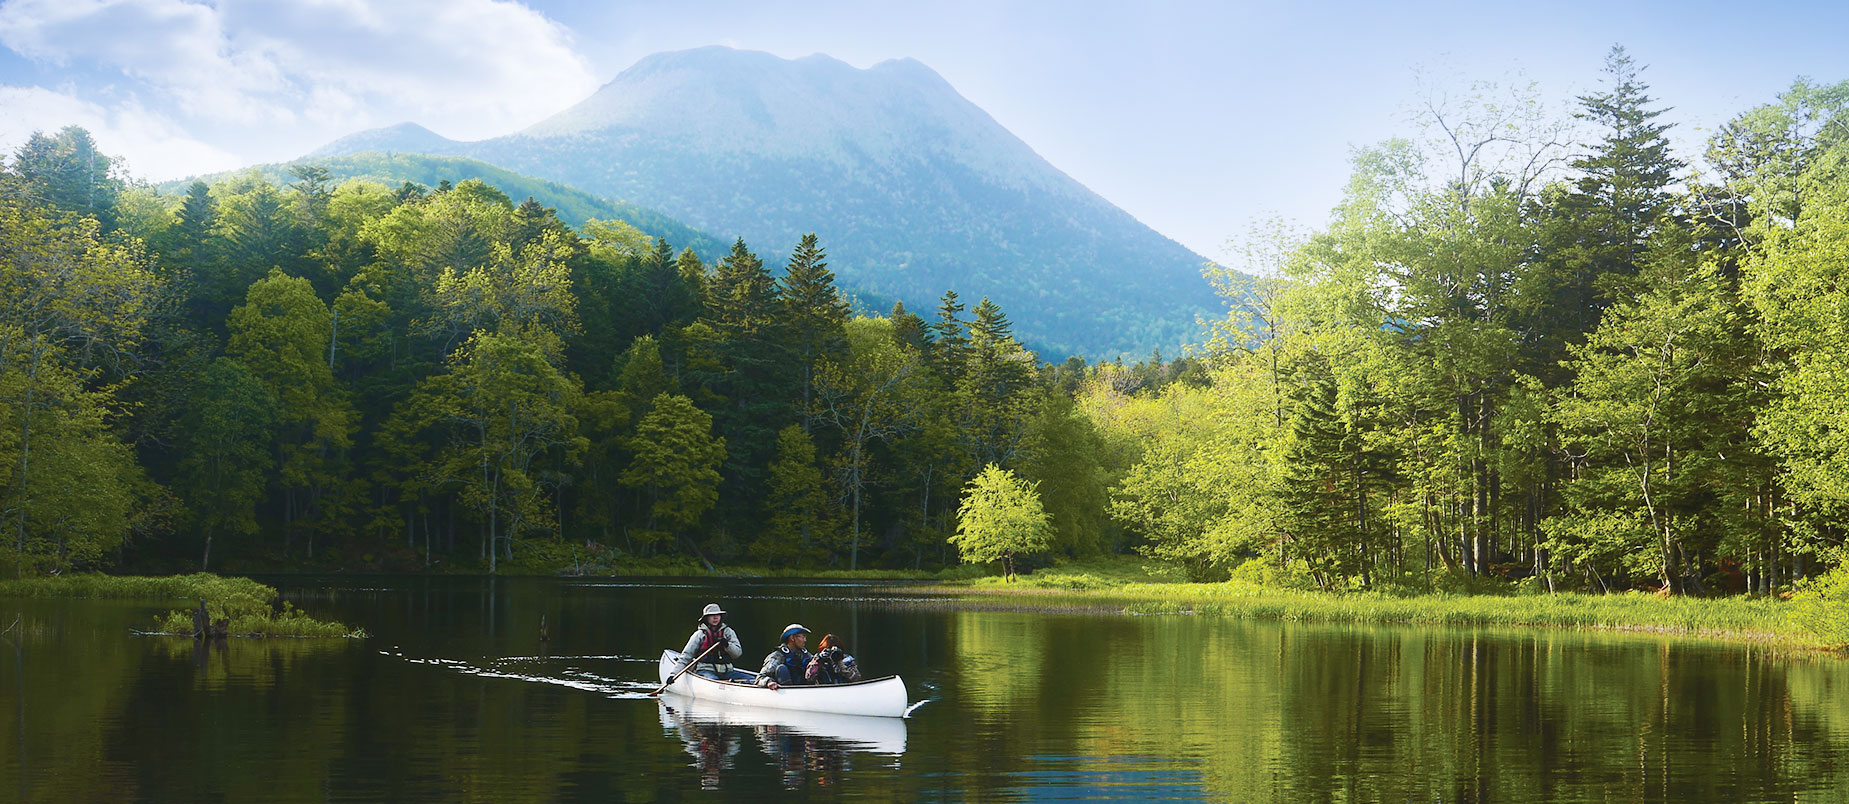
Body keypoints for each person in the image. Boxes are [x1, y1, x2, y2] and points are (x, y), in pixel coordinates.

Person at [677, 603, 753, 682]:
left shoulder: (728, 632)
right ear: (706, 618)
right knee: (714, 680)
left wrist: (727, 645)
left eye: (718, 615)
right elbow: (686, 657)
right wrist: (673, 674)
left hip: (727, 671)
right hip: (706, 671)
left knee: (752, 680)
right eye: (711, 615)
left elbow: (737, 654)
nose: (715, 617)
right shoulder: (699, 635)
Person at [756, 623, 812, 689]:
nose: (805, 640)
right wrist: (769, 682)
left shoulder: (805, 655)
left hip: (805, 691)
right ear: (792, 638)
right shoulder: (778, 656)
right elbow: (760, 678)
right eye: (803, 637)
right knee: (782, 669)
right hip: (785, 693)